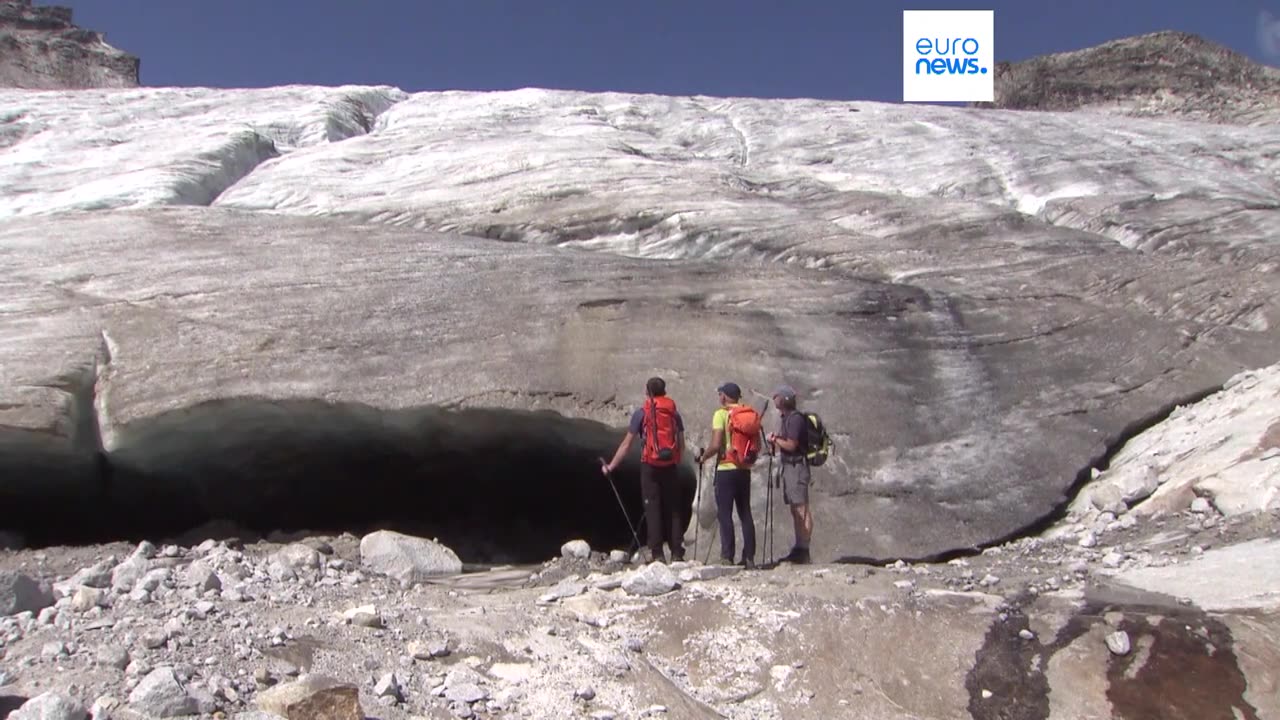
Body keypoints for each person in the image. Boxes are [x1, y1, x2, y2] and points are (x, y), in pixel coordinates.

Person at [602, 377, 687, 563]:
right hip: (670, 467)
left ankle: (657, 555)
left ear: (648, 392)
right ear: (664, 391)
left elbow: (626, 444)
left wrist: (611, 466)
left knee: (652, 508)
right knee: (673, 509)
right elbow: (681, 443)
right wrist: (676, 461)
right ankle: (677, 553)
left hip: (650, 466)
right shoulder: (674, 414)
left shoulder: (642, 413)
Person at [695, 382, 758, 569]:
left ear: (724, 396)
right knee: (745, 512)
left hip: (726, 468)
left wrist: (703, 457)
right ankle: (749, 557)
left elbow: (715, 445)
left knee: (725, 513)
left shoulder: (721, 414)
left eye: (720, 394)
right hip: (744, 469)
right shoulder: (749, 415)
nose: (719, 397)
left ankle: (727, 557)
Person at [767, 385, 812, 564]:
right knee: (795, 508)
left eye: (776, 396)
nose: (774, 398)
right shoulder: (787, 418)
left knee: (801, 508)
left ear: (784, 399)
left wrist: (775, 440)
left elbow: (792, 445)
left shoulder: (794, 419)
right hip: (790, 467)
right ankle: (799, 547)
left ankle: (804, 549)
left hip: (797, 467)